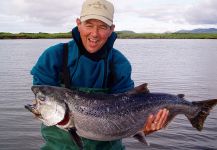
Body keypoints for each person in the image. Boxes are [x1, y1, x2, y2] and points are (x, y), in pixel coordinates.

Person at [31, 0, 169, 149]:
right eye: (89, 25)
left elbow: (129, 112)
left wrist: (143, 128)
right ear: (78, 24)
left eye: (102, 27)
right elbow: (45, 105)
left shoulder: (119, 63)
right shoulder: (53, 57)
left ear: (111, 29)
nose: (94, 34)